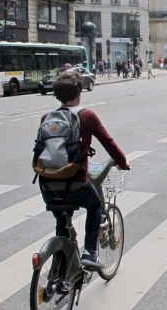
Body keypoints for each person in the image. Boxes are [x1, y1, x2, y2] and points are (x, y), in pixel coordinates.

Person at [38, 71, 130, 268]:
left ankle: (60, 268)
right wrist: (123, 163)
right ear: (79, 93)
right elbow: (109, 143)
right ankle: (90, 252)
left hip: (47, 185)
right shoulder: (86, 115)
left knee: (61, 220)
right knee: (95, 206)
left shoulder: (47, 117)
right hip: (75, 182)